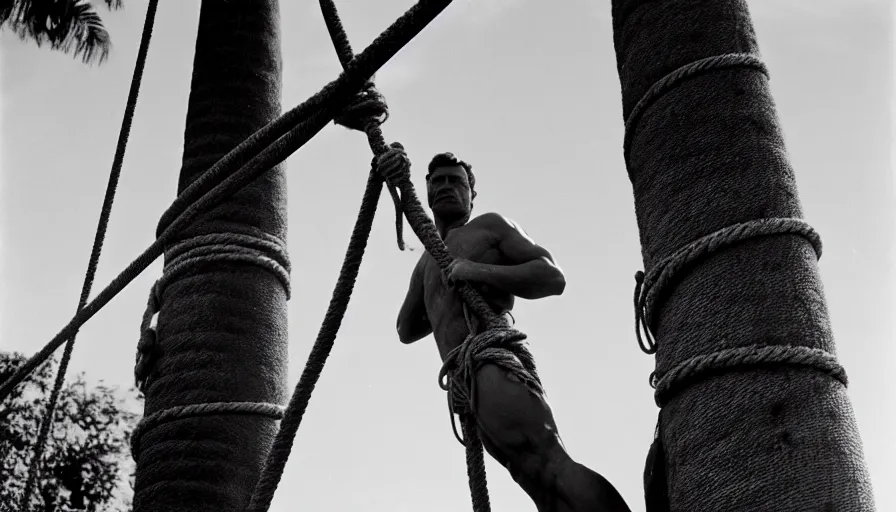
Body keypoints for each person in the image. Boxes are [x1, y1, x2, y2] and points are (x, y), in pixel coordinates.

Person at [377, 145, 631, 512]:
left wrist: (476, 271)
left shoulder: (489, 228)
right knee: (534, 481)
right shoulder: (425, 262)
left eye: (457, 181)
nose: (448, 186)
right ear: (428, 190)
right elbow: (405, 328)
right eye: (439, 181)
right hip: (467, 384)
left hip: (491, 363)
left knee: (548, 462)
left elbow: (551, 277)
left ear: (472, 194)